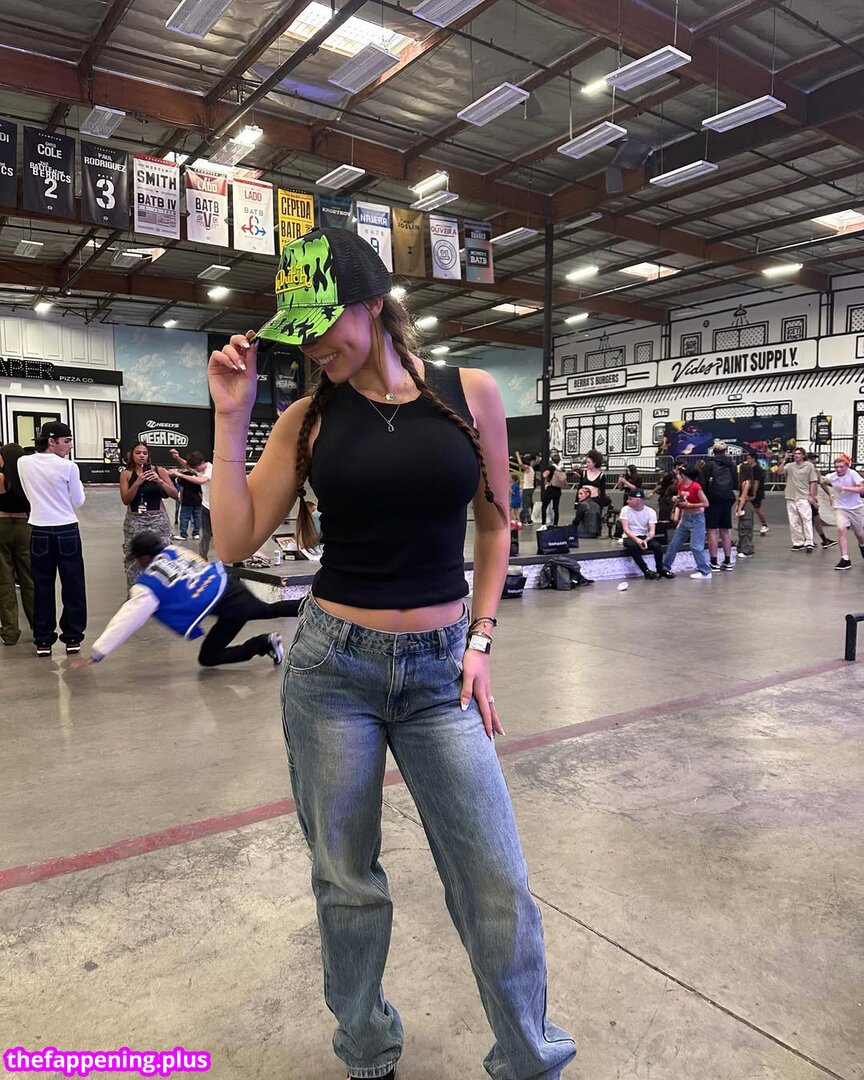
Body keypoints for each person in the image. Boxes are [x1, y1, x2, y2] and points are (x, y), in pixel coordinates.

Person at [206, 227, 575, 1080]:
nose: (313, 346)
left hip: (441, 672)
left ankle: (530, 1056)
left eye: (323, 324)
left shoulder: (469, 395)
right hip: (332, 673)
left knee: (495, 877)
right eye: (300, 333)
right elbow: (232, 539)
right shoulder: (306, 420)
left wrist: (480, 640)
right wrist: (230, 416)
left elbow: (496, 527)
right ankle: (367, 1049)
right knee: (348, 880)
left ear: (372, 304)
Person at [70, 532, 294, 668]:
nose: (138, 563)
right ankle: (266, 642)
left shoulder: (147, 588)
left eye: (137, 558)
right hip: (227, 588)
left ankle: (306, 607)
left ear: (144, 556)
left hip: (230, 600)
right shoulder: (173, 550)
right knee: (208, 657)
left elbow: (126, 619)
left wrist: (98, 652)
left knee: (268, 610)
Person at [17, 421, 86, 657]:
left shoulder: (23, 462)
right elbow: (78, 501)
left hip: (39, 529)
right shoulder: (69, 467)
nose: (70, 445)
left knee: (42, 586)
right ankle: (73, 636)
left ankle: (43, 640)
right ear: (51, 441)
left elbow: (28, 493)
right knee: (73, 585)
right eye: (66, 441)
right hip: (66, 528)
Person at [119, 441, 176, 590]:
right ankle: (135, 593)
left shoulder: (159, 471)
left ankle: (163, 593)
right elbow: (126, 500)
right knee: (133, 558)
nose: (141, 456)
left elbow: (175, 495)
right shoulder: (126, 474)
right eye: (138, 453)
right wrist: (137, 483)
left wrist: (159, 481)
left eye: (144, 453)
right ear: (132, 455)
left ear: (149, 455)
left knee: (163, 556)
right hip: (135, 520)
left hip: (158, 519)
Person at [0, 442, 34, 646]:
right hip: (24, 527)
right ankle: (39, 626)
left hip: (2, 526)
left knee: (5, 581)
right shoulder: (27, 479)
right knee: (28, 579)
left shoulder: (1, 478)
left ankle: (10, 631)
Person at [662, 466, 713, 580]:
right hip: (685, 518)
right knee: (674, 544)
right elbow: (682, 497)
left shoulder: (696, 487)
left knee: (696, 546)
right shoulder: (680, 485)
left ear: (685, 476)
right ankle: (665, 567)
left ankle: (705, 571)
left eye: (679, 474)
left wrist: (691, 505)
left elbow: (706, 503)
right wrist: (677, 499)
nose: (677, 476)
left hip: (697, 519)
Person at [820, 456, 864, 571]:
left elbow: (862, 489)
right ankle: (845, 559)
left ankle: (862, 546)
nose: (838, 469)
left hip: (856, 508)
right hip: (841, 507)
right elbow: (822, 481)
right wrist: (830, 494)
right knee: (841, 529)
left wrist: (845, 488)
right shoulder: (832, 476)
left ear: (847, 466)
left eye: (841, 467)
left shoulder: (853, 474)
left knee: (860, 535)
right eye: (836, 467)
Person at [169, 448, 213, 557]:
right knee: (205, 535)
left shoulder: (210, 469)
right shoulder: (200, 468)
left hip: (217, 508)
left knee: (221, 535)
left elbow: (201, 480)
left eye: (196, 467)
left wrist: (179, 474)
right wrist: (177, 458)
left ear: (202, 462)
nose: (195, 470)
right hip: (206, 505)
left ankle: (229, 558)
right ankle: (202, 557)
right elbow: (188, 466)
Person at [701, 441, 737, 572]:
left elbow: (703, 484)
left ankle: (714, 562)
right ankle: (727, 561)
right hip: (727, 499)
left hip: (712, 500)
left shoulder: (709, 465)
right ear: (725, 451)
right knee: (725, 531)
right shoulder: (731, 464)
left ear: (713, 451)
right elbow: (736, 483)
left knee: (712, 531)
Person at [619, 489, 669, 579]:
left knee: (657, 546)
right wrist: (637, 540)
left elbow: (652, 532)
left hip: (644, 536)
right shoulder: (625, 509)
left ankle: (660, 569)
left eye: (630, 499)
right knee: (633, 546)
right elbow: (626, 529)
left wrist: (646, 540)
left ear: (638, 500)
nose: (627, 501)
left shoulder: (651, 512)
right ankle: (645, 570)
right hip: (630, 537)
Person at [777, 447, 818, 552]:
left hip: (803, 496)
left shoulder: (809, 466)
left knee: (806, 519)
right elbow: (780, 471)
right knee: (793, 521)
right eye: (795, 454)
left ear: (803, 455)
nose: (797, 455)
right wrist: (784, 460)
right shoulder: (790, 466)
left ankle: (809, 542)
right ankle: (798, 542)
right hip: (791, 496)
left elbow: (813, 481)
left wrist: (811, 495)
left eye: (799, 454)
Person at [805, 453, 838, 550]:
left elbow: (822, 483)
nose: (814, 461)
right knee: (810, 519)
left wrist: (829, 494)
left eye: (814, 459)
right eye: (812, 459)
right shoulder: (804, 471)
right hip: (805, 497)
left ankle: (814, 540)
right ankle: (814, 540)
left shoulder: (815, 471)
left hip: (812, 498)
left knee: (814, 519)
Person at [735, 451, 757, 559]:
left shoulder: (746, 482)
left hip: (745, 505)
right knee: (743, 527)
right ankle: (742, 547)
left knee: (745, 528)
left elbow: (743, 496)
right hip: (746, 504)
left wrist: (739, 508)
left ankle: (746, 549)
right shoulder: (750, 481)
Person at [541, 451, 567, 525]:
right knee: (556, 508)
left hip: (550, 489)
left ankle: (543, 524)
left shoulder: (551, 467)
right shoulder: (561, 469)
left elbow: (544, 475)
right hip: (558, 490)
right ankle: (555, 524)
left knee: (544, 507)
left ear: (552, 460)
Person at [516, 450, 539, 524]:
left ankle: (527, 520)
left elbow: (520, 464)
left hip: (527, 489)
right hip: (531, 488)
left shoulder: (528, 468)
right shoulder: (532, 469)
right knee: (528, 503)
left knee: (525, 505)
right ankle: (523, 518)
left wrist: (517, 455)